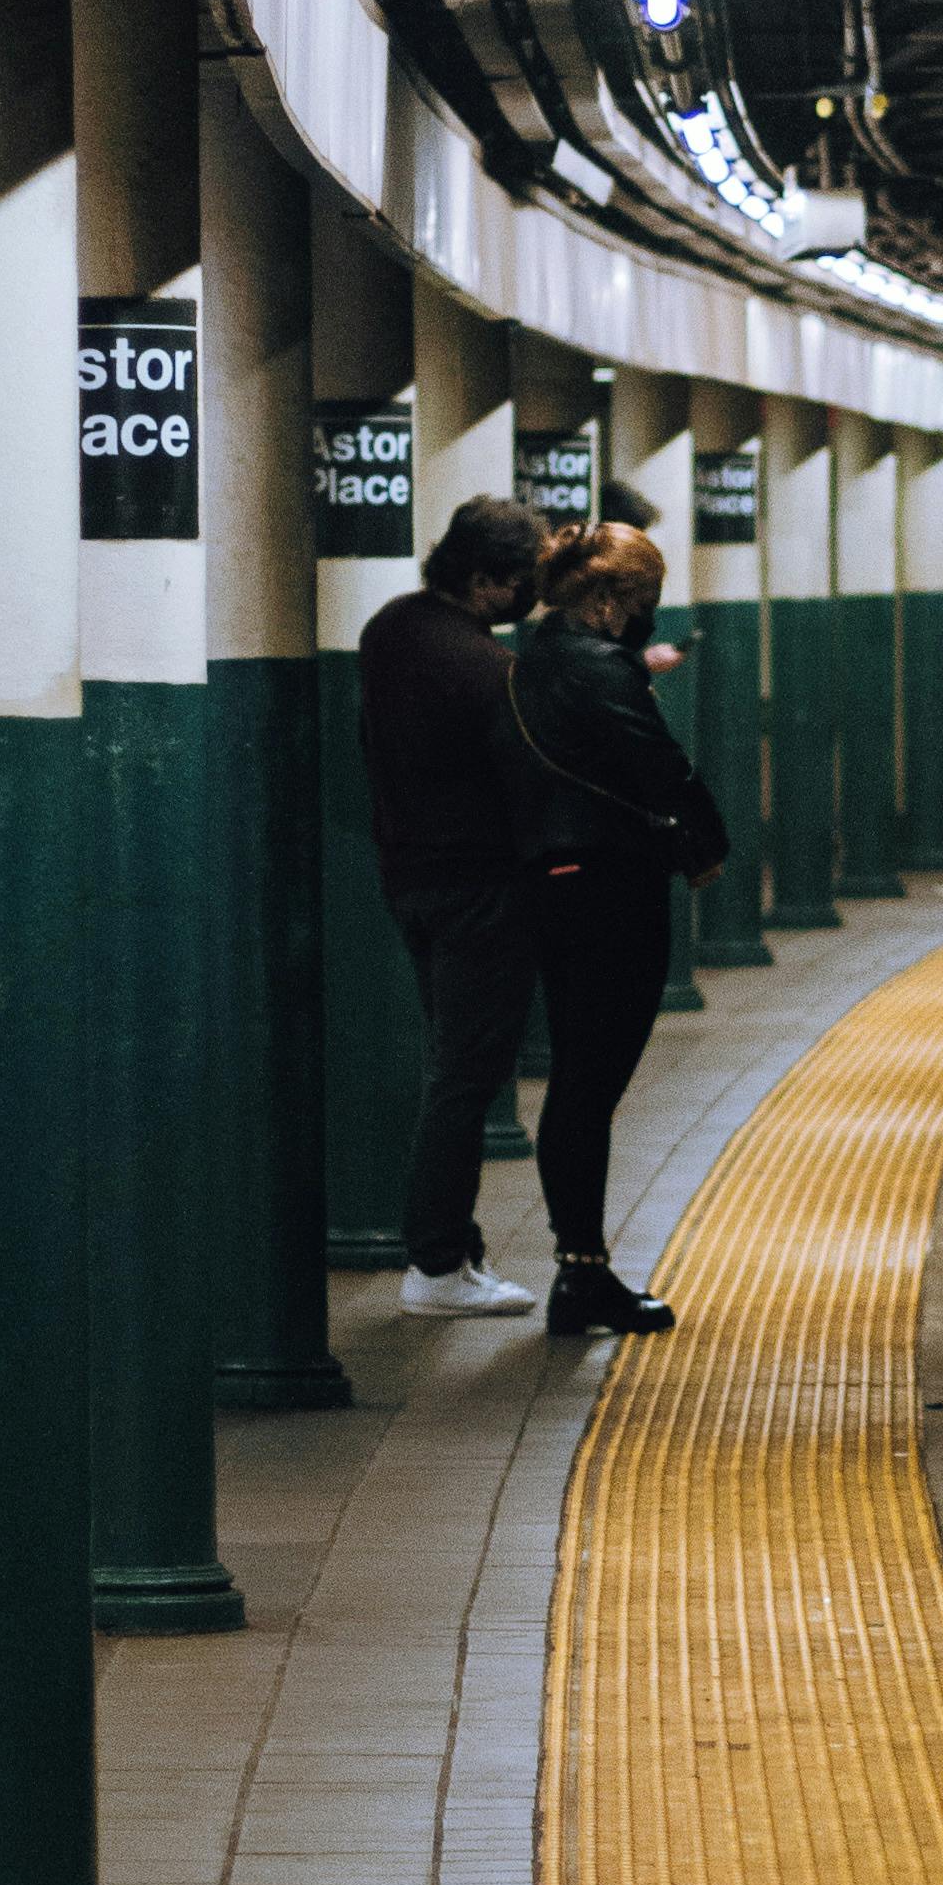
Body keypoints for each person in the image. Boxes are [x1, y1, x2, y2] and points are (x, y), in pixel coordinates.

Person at [503, 521, 728, 1339]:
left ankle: (582, 1267)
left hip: (555, 878)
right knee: (587, 1085)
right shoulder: (598, 667)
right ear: (606, 601)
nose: (649, 617)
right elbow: (656, 763)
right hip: (607, 884)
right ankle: (582, 1276)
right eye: (643, 602)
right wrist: (707, 843)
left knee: (578, 1078)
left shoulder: (535, 656)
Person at [357, 491, 545, 1311]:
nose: (526, 597)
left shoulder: (389, 627)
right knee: (465, 1077)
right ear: (483, 580)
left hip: (409, 878)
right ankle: (435, 1266)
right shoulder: (491, 671)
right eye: (519, 582)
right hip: (480, 889)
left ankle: (452, 1253)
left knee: (448, 1067)